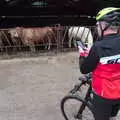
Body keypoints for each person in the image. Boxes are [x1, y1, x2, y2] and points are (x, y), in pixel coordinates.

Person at [79, 7, 120, 120]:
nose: (97, 27)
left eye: (97, 25)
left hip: (104, 94)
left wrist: (82, 54)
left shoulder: (98, 47)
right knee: (112, 114)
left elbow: (84, 69)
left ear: (104, 25)